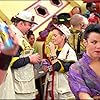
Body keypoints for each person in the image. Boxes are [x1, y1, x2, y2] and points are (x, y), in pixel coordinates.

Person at [0, 11, 41, 99]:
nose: (30, 28)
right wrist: (30, 59)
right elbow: (11, 62)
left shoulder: (20, 37)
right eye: (29, 25)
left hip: (24, 86)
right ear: (21, 23)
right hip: (18, 89)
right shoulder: (12, 37)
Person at [43, 23, 77, 99]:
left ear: (63, 36)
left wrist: (52, 52)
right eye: (52, 36)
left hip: (64, 92)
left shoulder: (69, 52)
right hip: (53, 90)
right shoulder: (56, 50)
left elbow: (58, 67)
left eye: (55, 36)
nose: (52, 38)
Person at [68, 24, 100, 99]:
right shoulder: (76, 68)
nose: (99, 46)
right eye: (94, 42)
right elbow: (83, 95)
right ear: (85, 42)